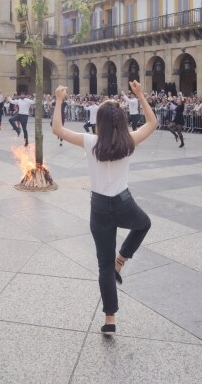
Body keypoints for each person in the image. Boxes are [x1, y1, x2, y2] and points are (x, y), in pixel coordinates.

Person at [52, 80, 157, 335]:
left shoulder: (90, 141)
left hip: (98, 206)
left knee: (103, 265)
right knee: (143, 224)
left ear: (99, 120)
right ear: (122, 121)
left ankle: (110, 319)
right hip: (123, 201)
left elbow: (57, 128)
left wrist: (58, 100)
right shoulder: (129, 140)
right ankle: (121, 260)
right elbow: (153, 123)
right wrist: (141, 96)